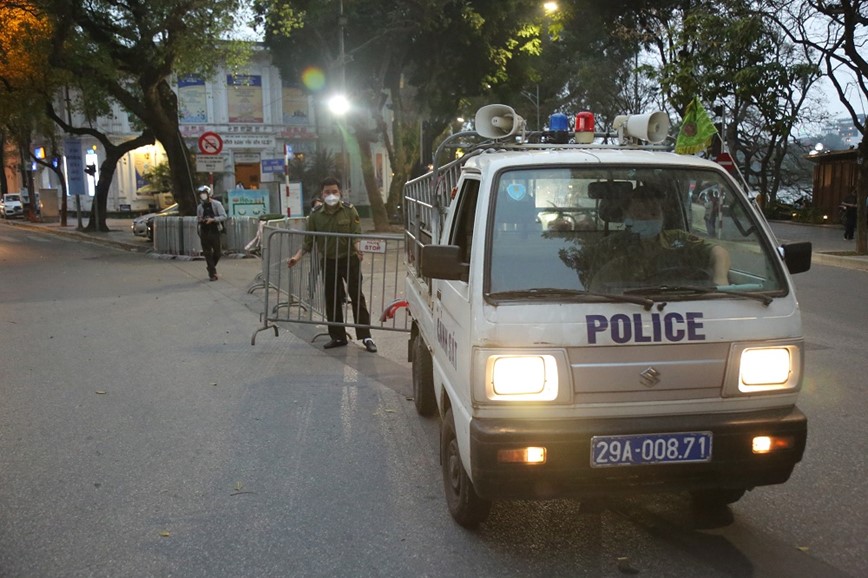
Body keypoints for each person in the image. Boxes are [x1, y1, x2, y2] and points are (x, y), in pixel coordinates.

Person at [287, 177, 377, 353]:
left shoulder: (350, 211)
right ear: (322, 194)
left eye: (334, 191)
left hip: (349, 260)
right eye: (327, 192)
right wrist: (296, 258)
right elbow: (308, 241)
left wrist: (358, 250)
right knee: (332, 299)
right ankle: (338, 336)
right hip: (328, 261)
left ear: (340, 192)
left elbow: (355, 235)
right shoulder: (315, 215)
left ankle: (366, 336)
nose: (331, 195)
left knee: (357, 297)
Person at [578, 188, 731, 290]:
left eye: (654, 213)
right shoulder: (610, 246)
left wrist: (720, 279)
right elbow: (594, 287)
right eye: (641, 213)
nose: (649, 218)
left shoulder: (677, 238)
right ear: (627, 216)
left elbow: (718, 252)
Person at [196, 185, 227, 281]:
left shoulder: (217, 204)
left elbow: (224, 216)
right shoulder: (200, 207)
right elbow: (198, 218)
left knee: (218, 252)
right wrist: (201, 220)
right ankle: (212, 274)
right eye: (201, 195)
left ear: (208, 194)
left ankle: (210, 267)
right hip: (204, 231)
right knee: (207, 252)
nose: (203, 196)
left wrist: (213, 220)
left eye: (204, 194)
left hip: (215, 230)